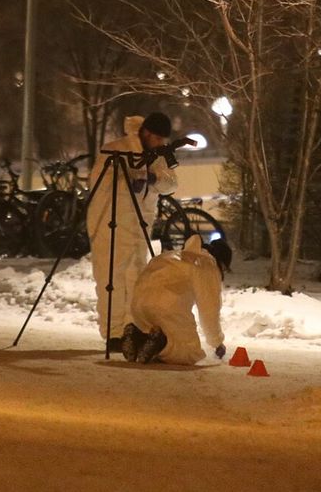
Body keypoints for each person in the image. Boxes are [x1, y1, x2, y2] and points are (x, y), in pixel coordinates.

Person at [86, 112, 178, 352]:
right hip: (112, 224)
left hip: (141, 224)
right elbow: (99, 189)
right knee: (111, 278)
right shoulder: (115, 150)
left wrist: (153, 176)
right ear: (147, 133)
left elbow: (171, 184)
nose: (160, 144)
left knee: (137, 278)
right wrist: (127, 176)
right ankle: (113, 333)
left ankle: (132, 329)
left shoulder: (156, 156)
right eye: (157, 139)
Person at [122, 235, 232, 365]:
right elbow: (209, 310)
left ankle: (137, 337)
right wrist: (217, 342)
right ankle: (162, 343)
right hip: (167, 306)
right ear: (220, 261)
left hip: (138, 306)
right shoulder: (206, 263)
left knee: (153, 332)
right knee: (188, 351)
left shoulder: (170, 255)